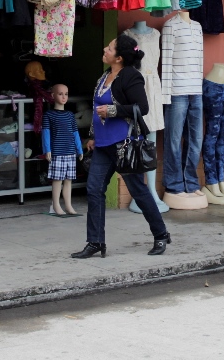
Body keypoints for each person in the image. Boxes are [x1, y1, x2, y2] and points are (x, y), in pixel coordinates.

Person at [72, 35, 171, 259]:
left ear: (119, 57)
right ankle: (95, 242)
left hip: (124, 145)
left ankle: (161, 234)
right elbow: (98, 108)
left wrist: (113, 111)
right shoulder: (105, 76)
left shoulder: (131, 76)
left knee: (138, 191)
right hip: (103, 146)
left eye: (109, 48)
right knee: (94, 190)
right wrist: (93, 136)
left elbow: (142, 107)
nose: (105, 49)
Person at [42, 83, 83, 216]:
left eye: (66, 94)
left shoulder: (70, 115)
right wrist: (47, 149)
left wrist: (79, 149)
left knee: (68, 180)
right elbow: (46, 133)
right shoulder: (49, 115)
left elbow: (75, 133)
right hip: (57, 152)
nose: (64, 97)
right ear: (53, 96)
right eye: (60, 94)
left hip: (70, 152)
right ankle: (56, 205)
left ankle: (68, 205)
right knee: (57, 180)